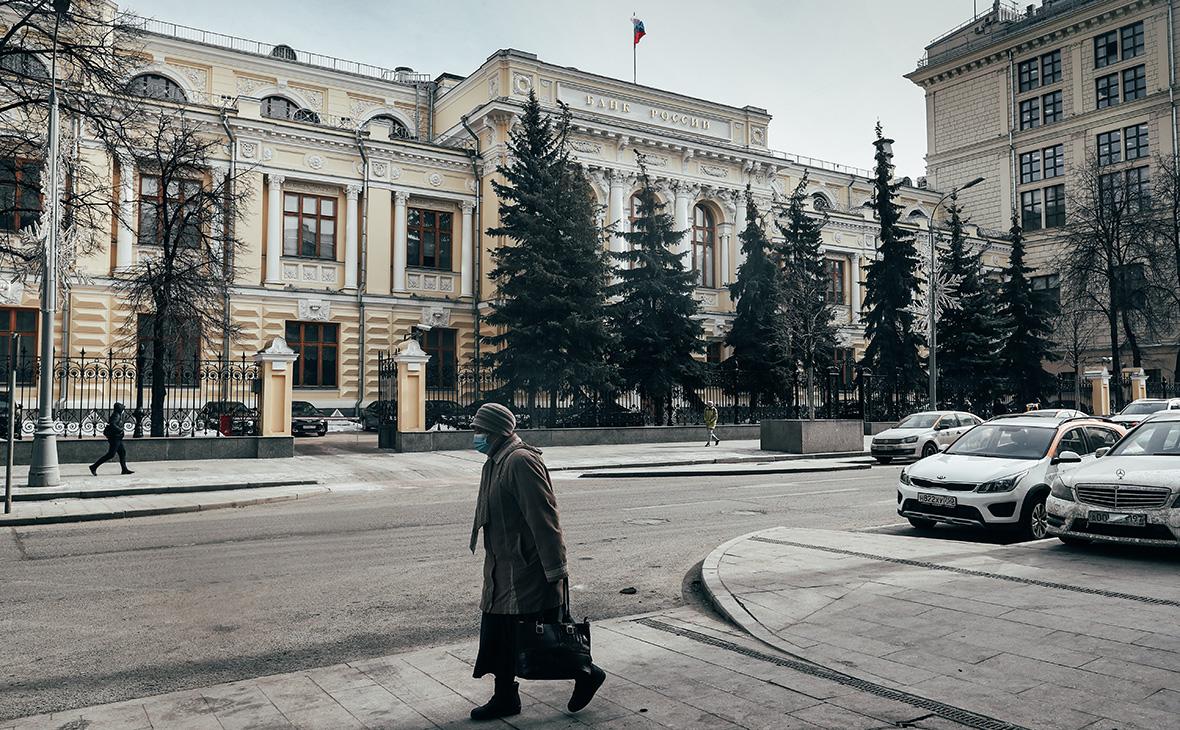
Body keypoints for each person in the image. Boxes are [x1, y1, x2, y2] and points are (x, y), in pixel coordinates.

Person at [468, 402, 605, 721]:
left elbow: (544, 519)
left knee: (540, 639)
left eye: (479, 430)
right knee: (500, 635)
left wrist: (556, 570)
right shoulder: (495, 461)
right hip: (502, 569)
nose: (475, 436)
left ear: (495, 431)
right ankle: (505, 698)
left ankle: (587, 673)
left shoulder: (520, 461)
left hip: (526, 571)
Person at [90, 403, 133, 476]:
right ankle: (94, 466)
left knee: (122, 452)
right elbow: (113, 424)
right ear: (118, 408)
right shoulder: (116, 415)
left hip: (117, 438)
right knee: (111, 454)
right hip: (115, 438)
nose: (123, 409)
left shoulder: (117, 414)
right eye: (122, 408)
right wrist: (120, 430)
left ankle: (124, 469)